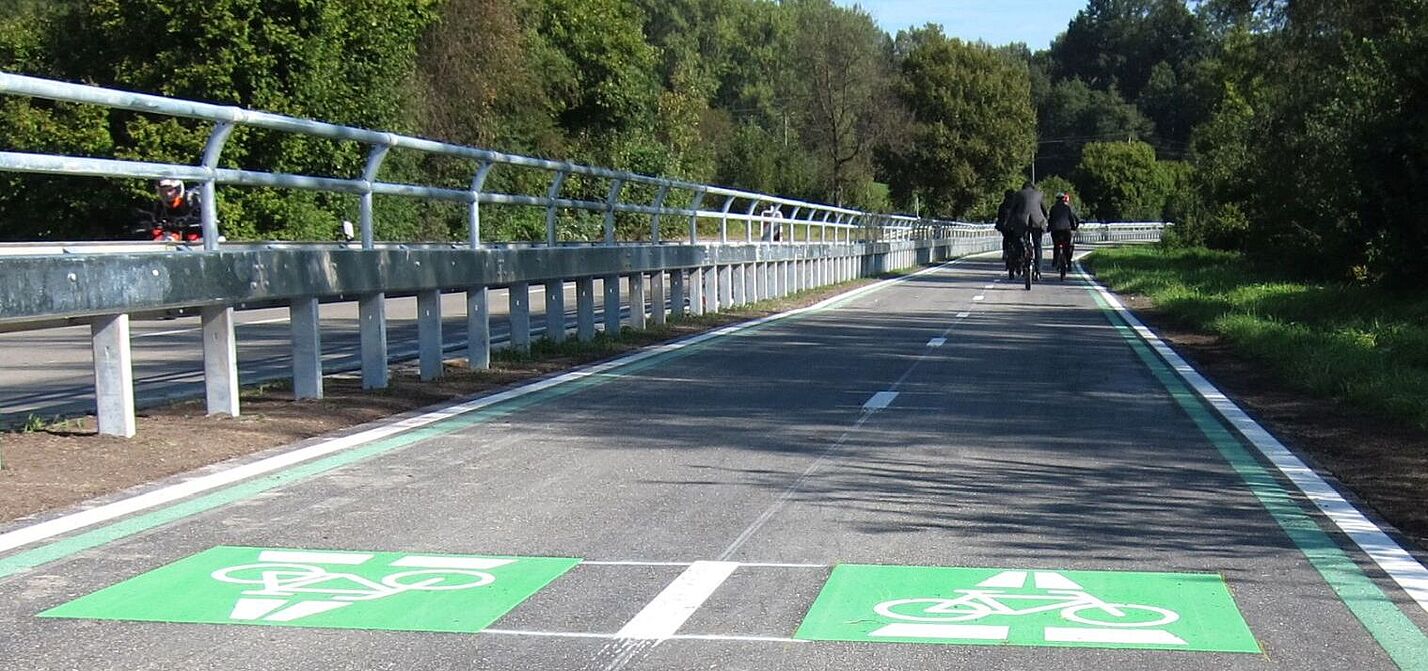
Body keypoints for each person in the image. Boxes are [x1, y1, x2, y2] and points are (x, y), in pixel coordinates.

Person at [1005, 181, 1049, 278]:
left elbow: (1012, 210)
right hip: (1037, 222)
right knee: (1037, 246)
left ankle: (1019, 263)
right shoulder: (1039, 194)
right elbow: (1045, 211)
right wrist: (1045, 221)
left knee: (1018, 242)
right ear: (1033, 188)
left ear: (1023, 187)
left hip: (1021, 222)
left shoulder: (1018, 194)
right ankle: (1038, 271)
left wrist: (1008, 223)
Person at [1048, 192, 1081, 270]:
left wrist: (1049, 228)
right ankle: (1069, 265)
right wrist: (1073, 228)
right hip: (1066, 230)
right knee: (1067, 247)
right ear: (1063, 199)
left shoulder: (1053, 208)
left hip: (1055, 230)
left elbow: (1050, 220)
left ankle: (1055, 262)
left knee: (1056, 246)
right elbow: (1071, 219)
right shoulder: (1067, 208)